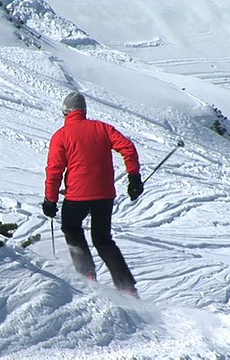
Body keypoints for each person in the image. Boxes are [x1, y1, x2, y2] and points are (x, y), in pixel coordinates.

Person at [42, 91, 144, 298]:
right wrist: (134, 177)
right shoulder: (102, 128)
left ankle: (86, 274)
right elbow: (128, 147)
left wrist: (50, 200)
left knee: (71, 227)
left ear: (65, 112)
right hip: (105, 194)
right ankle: (126, 287)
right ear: (84, 111)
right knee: (103, 239)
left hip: (77, 196)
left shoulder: (61, 136)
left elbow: (54, 170)